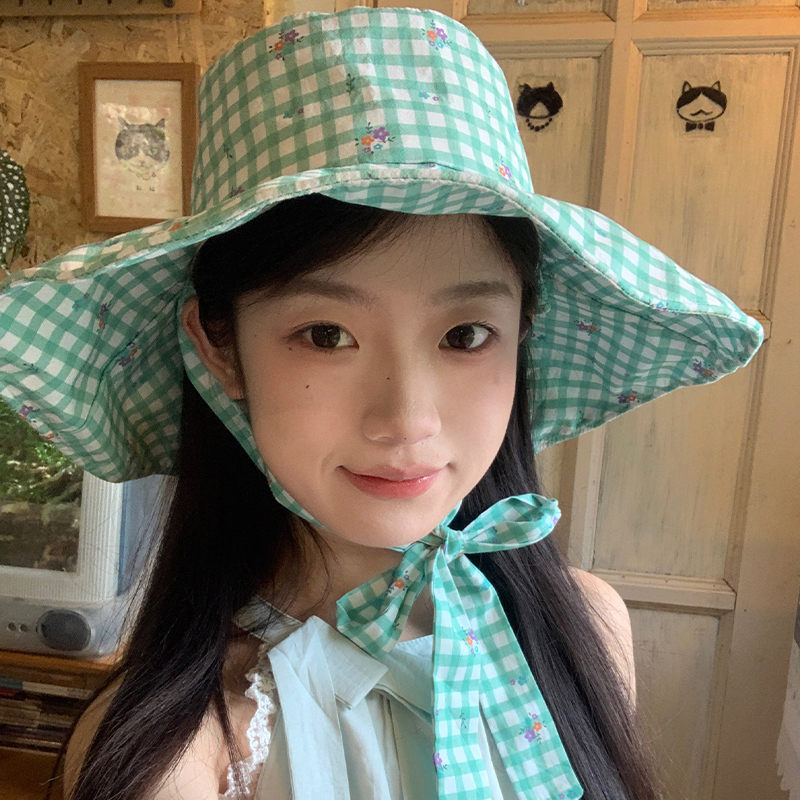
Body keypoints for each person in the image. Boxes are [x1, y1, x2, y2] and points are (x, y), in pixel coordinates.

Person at [0, 7, 762, 800]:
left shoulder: (588, 625)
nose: (406, 419)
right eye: (326, 334)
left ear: (522, 334)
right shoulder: (187, 759)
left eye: (465, 334)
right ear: (220, 346)